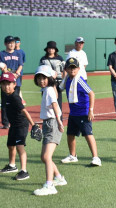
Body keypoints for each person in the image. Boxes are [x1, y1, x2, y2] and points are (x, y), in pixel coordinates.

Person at [59, 58, 101, 166]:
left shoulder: (80, 80)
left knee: (88, 134)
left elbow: (91, 94)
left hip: (83, 113)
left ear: (78, 69)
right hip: (73, 113)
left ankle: (96, 158)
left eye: (74, 67)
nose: (72, 70)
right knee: (70, 135)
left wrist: (90, 110)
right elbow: (59, 88)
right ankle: (72, 156)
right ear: (66, 69)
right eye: (70, 67)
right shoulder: (67, 79)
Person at [33, 65, 67, 196]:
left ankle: (49, 185)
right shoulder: (48, 89)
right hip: (48, 123)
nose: (41, 80)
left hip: (53, 123)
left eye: (44, 78)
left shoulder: (49, 90)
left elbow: (55, 105)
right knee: (44, 157)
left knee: (47, 156)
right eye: (39, 78)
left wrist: (59, 122)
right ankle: (58, 177)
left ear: (49, 79)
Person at [0, 72, 36, 180]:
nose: (6, 86)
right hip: (14, 125)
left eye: (8, 84)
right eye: (3, 84)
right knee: (10, 145)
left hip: (21, 125)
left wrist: (33, 125)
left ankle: (24, 171)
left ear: (14, 84)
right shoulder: (6, 96)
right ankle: (12, 165)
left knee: (20, 147)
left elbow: (24, 111)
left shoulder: (15, 97)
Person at [0, 36, 24, 129]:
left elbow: (20, 65)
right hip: (6, 81)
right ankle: (5, 123)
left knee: (16, 100)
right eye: (9, 43)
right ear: (5, 44)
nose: (11, 44)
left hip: (16, 80)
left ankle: (16, 120)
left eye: (13, 43)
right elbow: (3, 66)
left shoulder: (18, 53)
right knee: (5, 102)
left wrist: (17, 73)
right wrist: (8, 74)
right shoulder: (2, 54)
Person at [39, 41, 65, 118]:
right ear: (47, 49)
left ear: (55, 50)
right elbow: (40, 71)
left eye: (53, 48)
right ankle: (48, 117)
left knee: (58, 100)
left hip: (58, 82)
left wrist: (63, 81)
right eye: (49, 48)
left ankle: (59, 117)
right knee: (46, 101)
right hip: (47, 82)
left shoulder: (60, 58)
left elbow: (64, 69)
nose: (51, 50)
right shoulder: (43, 59)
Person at [14, 37, 26, 105]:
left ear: (20, 43)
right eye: (15, 42)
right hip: (12, 72)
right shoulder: (12, 51)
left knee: (18, 86)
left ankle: (20, 99)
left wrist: (18, 70)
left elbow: (23, 62)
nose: (16, 43)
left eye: (17, 42)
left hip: (19, 73)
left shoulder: (22, 52)